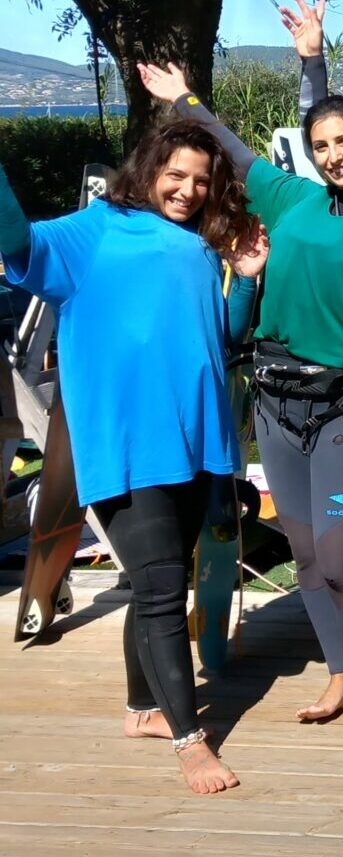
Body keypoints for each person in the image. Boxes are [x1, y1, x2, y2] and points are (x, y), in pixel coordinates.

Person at [137, 61, 343, 742]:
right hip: (275, 402)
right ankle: (337, 672)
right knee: (301, 549)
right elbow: (234, 149)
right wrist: (182, 96)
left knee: (337, 550)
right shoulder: (295, 200)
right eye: (321, 144)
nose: (333, 155)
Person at [0, 121, 264, 793]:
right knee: (158, 589)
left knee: (163, 584)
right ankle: (189, 740)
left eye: (202, 180)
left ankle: (141, 708)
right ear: (146, 168)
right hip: (126, 446)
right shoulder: (95, 230)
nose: (189, 188)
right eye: (176, 174)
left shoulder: (201, 249)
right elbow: (17, 243)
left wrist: (249, 280)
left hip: (196, 445)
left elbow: (224, 338)